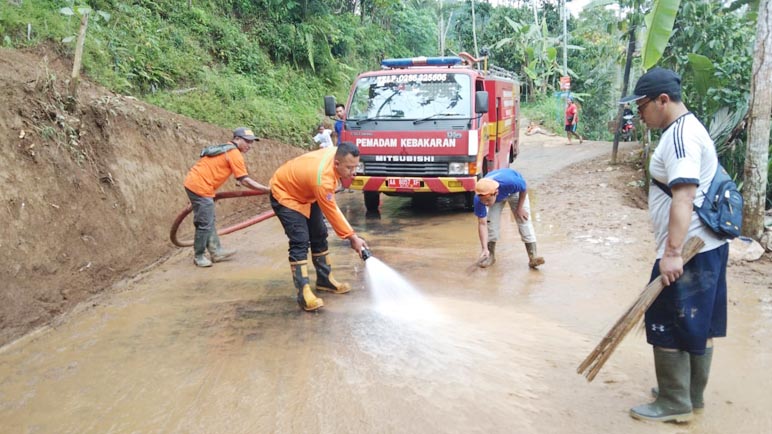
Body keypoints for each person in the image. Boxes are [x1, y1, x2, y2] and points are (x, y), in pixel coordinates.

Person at [620, 67, 728, 423]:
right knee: (699, 323)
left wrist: (672, 253)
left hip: (689, 250)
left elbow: (683, 196)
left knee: (665, 320)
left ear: (662, 101)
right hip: (705, 246)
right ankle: (689, 395)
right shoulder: (687, 129)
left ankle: (673, 402)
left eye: (642, 105)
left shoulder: (680, 138)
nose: (638, 113)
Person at [269, 142, 370, 312]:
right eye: (349, 168)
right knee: (300, 240)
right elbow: (333, 212)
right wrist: (352, 237)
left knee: (319, 233)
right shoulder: (322, 180)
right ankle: (303, 293)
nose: (353, 172)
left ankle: (325, 281)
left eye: (356, 166)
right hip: (285, 193)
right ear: (336, 163)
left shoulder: (336, 154)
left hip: (307, 190)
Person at [183, 127, 271, 267]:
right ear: (237, 139)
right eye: (247, 141)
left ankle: (216, 251)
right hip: (200, 187)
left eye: (251, 142)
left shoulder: (226, 148)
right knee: (205, 223)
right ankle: (199, 256)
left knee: (208, 218)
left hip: (195, 183)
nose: (249, 145)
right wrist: (267, 190)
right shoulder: (234, 153)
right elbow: (245, 180)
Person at [473, 168, 545, 269]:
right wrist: (484, 248)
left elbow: (524, 188)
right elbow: (482, 224)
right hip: (497, 196)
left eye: (488, 200)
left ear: (496, 193)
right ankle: (490, 255)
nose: (486, 204)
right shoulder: (479, 198)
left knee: (523, 220)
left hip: (514, 192)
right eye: (483, 201)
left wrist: (519, 208)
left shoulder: (511, 182)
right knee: (491, 224)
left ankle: (533, 257)